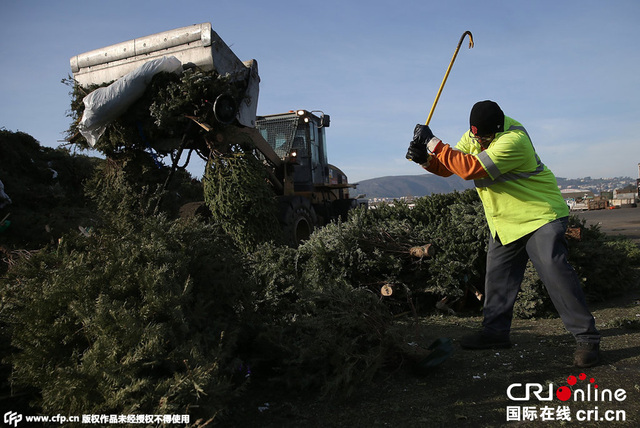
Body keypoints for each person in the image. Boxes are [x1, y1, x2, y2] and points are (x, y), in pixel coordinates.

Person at [406, 100, 600, 367]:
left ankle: (587, 339)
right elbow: (451, 166)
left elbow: (471, 169)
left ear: (497, 129)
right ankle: (495, 333)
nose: (480, 140)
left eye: (485, 136)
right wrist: (425, 159)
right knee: (498, 278)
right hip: (505, 221)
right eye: (477, 136)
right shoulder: (474, 135)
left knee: (554, 271)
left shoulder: (514, 140)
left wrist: (434, 144)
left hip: (540, 215)